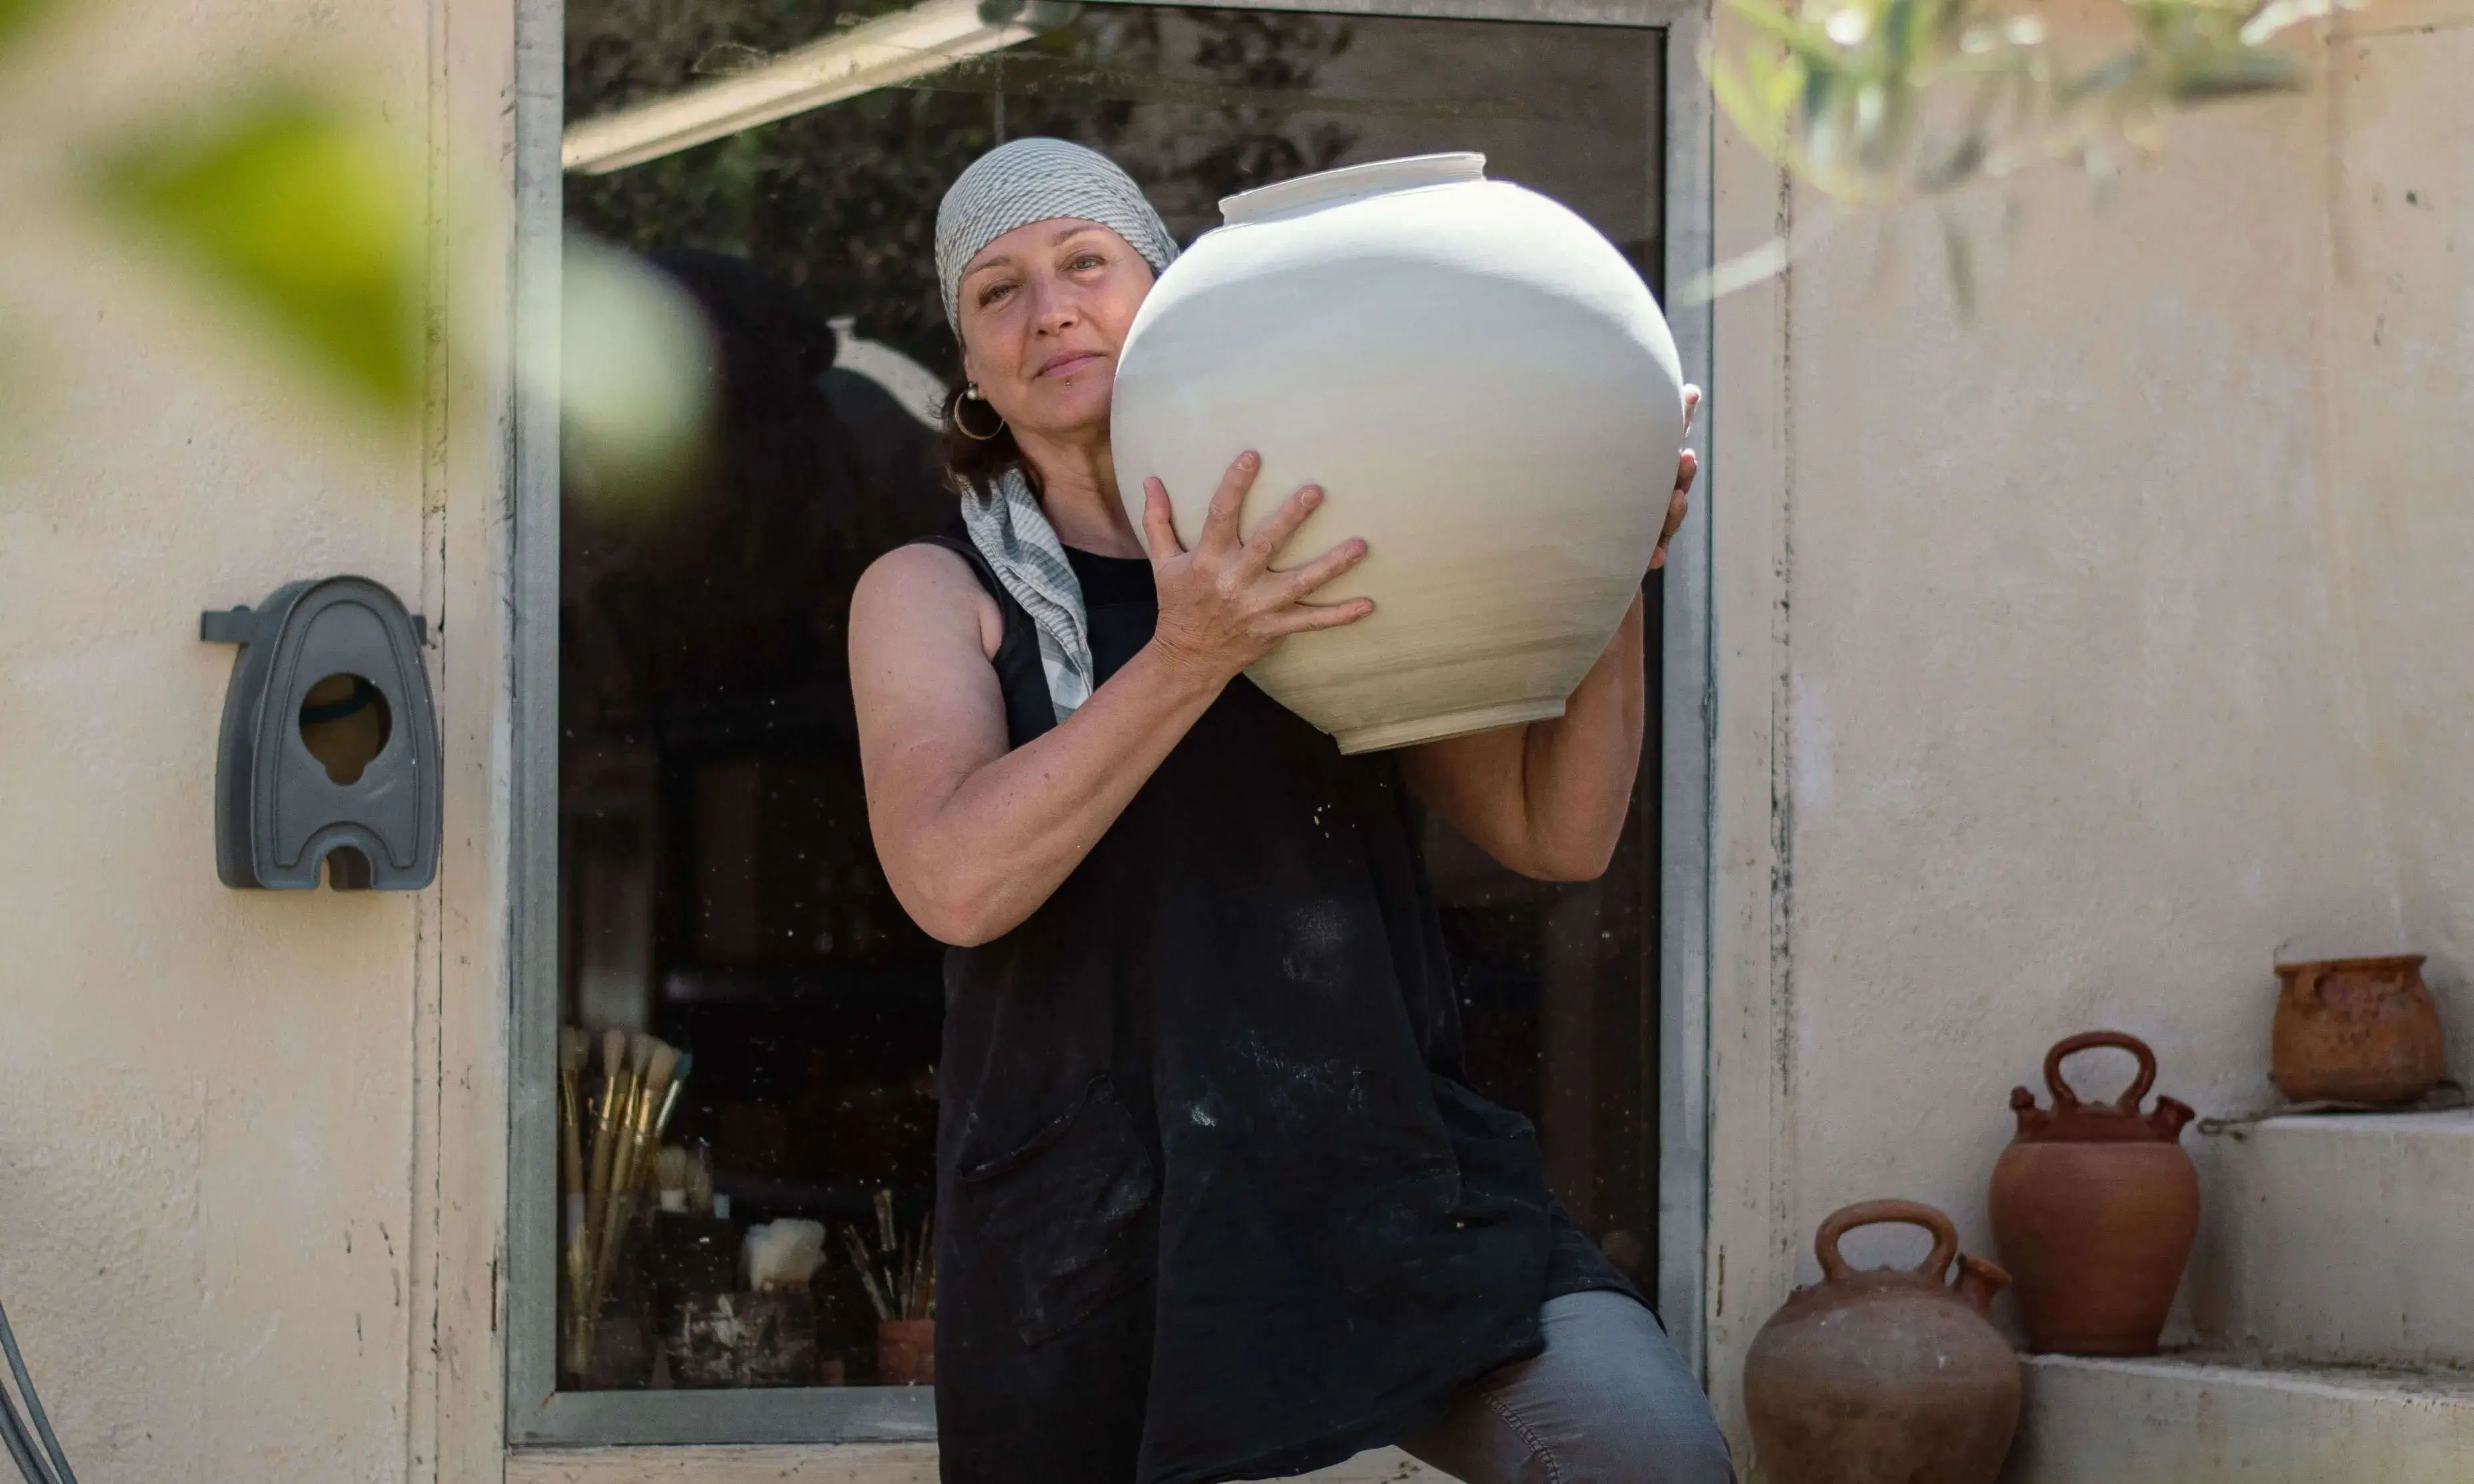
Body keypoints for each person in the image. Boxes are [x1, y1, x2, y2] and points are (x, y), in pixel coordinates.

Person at [849, 137, 1730, 1484]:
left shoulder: (1324, 540)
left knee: (1646, 1458)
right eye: (996, 291)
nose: (1050, 311)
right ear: (970, 365)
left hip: (1382, 1181)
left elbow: (1554, 832)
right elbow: (956, 883)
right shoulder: (929, 587)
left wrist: (1612, 570)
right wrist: (1190, 651)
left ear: (1168, 296)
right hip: (1093, 1225)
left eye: (1086, 264)